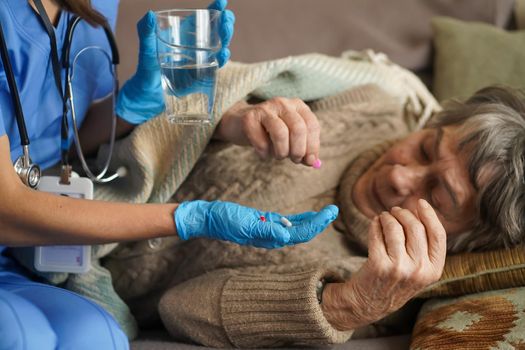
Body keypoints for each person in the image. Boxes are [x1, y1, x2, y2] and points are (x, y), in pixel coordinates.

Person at [0, 1, 338, 349]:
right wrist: (192, 217)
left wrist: (128, 109)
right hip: (14, 224)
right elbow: (5, 211)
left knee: (98, 338)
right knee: (24, 338)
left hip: (13, 260)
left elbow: (49, 143)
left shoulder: (92, 6)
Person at [103, 84, 525, 347]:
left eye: (436, 194)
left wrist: (346, 304)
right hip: (94, 158)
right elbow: (204, 88)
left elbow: (181, 309)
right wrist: (233, 114)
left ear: (459, 240)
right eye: (424, 149)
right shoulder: (372, 106)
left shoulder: (376, 286)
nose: (400, 175)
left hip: (87, 271)